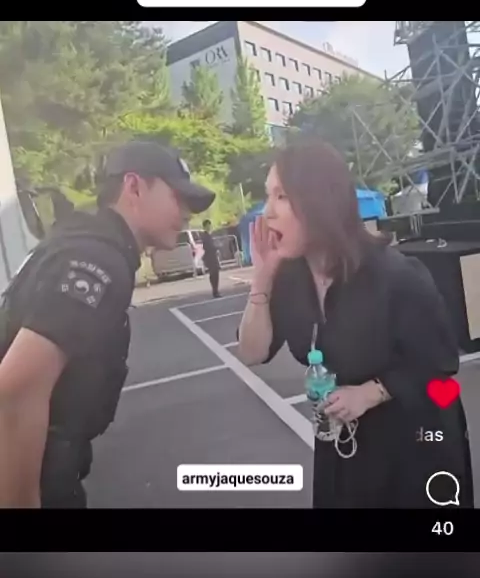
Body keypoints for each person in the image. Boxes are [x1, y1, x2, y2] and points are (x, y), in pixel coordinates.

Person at [237, 139, 474, 509]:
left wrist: (369, 393)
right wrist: (262, 278)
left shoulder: (395, 275)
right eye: (268, 196)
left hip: (414, 445)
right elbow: (252, 352)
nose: (267, 212)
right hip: (344, 443)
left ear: (319, 201)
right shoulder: (289, 280)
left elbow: (439, 362)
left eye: (281, 196)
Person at [0, 141, 215, 508]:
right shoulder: (97, 259)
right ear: (134, 187)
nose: (187, 213)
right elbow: (16, 390)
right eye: (177, 197)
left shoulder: (83, 243)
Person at [201, 219, 221, 299]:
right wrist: (215, 248)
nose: (209, 227)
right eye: (207, 225)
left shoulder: (209, 235)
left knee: (215, 273)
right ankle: (215, 291)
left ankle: (215, 290)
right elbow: (206, 247)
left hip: (212, 256)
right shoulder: (205, 236)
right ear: (205, 226)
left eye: (209, 225)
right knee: (213, 274)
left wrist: (216, 248)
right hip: (210, 257)